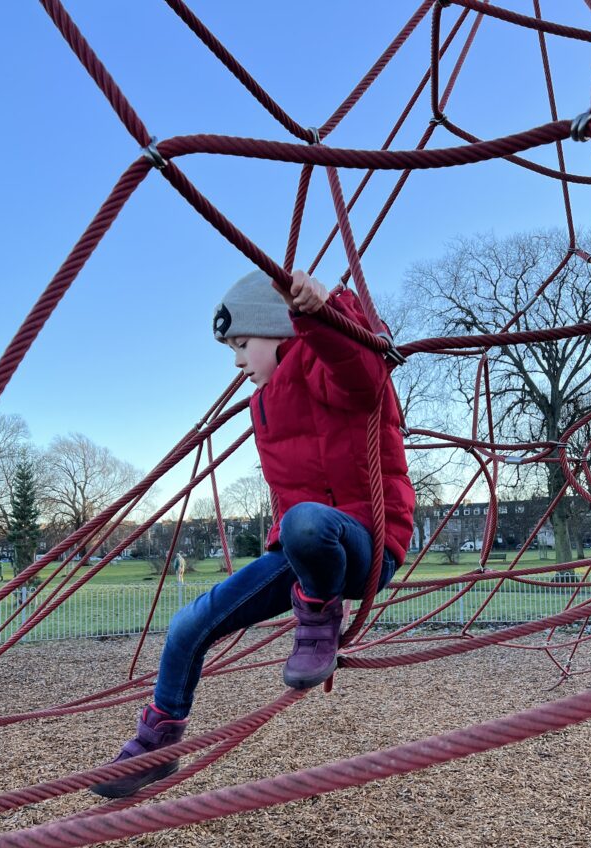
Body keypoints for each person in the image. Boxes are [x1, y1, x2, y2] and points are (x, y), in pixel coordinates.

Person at [91, 268, 415, 799]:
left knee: (305, 521)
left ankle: (318, 610)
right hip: (301, 548)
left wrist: (318, 313)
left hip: (365, 543)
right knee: (186, 626)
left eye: (242, 344)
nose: (237, 360)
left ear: (280, 330)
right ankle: (157, 740)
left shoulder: (327, 359)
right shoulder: (262, 404)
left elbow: (362, 375)